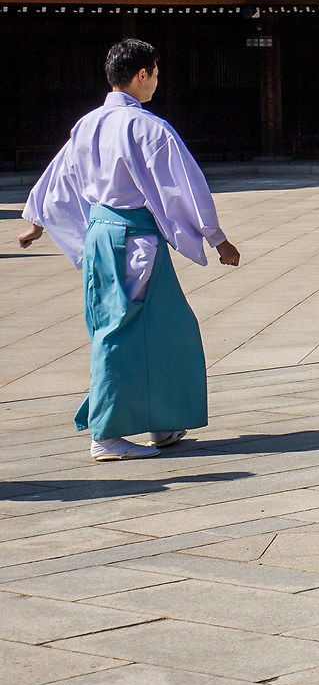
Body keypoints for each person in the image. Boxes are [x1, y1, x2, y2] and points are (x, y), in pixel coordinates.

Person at [17, 38, 240, 460]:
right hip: (133, 239)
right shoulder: (147, 128)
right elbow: (180, 186)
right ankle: (105, 434)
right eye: (155, 73)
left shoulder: (86, 124)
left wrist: (38, 222)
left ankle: (160, 422)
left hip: (103, 234)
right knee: (119, 332)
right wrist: (215, 237)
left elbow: (59, 176)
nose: (156, 82)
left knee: (162, 330)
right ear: (142, 75)